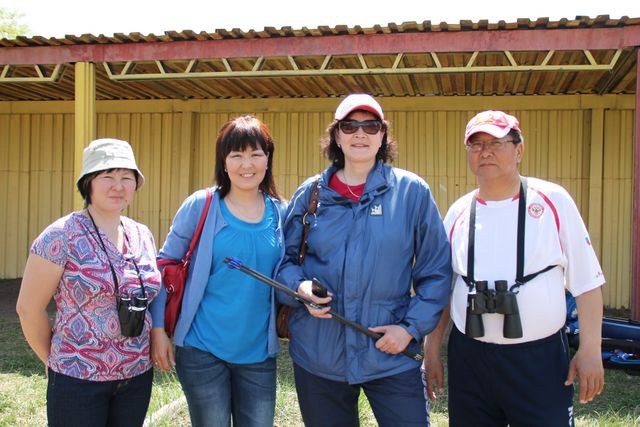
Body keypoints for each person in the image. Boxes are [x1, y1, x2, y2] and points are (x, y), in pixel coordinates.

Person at [277, 94, 452, 426]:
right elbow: (284, 262)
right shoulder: (310, 194)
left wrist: (409, 329)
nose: (360, 134)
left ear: (382, 135)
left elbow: (436, 272)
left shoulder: (411, 192)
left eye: (370, 126)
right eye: (349, 126)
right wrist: (299, 287)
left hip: (390, 352)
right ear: (336, 135)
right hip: (319, 354)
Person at [423, 110, 605, 427]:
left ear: (519, 150)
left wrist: (591, 349)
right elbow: (444, 290)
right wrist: (432, 350)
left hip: (538, 359)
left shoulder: (552, 201)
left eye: (496, 143)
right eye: (476, 144)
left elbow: (587, 282)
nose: (485, 152)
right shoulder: (458, 212)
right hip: (470, 359)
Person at [150, 115, 287, 427]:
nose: (246, 164)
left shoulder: (281, 212)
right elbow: (164, 265)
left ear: (268, 159)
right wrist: (158, 330)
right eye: (236, 155)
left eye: (255, 154)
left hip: (258, 354)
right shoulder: (202, 205)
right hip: (201, 348)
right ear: (223, 162)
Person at [16, 138, 161, 427]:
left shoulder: (142, 234)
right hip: (77, 379)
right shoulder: (61, 235)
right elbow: (28, 308)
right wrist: (54, 361)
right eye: (107, 176)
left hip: (136, 376)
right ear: (88, 183)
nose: (118, 186)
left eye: (126, 177)